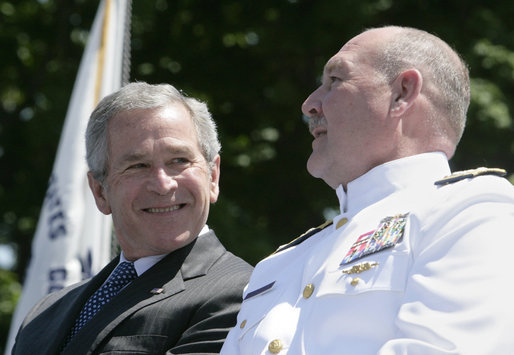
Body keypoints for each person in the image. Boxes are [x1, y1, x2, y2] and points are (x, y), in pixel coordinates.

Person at [221, 26, 514, 354]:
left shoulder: (474, 211)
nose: (309, 104)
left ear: (402, 93)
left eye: (335, 80)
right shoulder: (278, 265)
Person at [12, 82, 253, 354]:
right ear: (100, 191)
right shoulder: (43, 314)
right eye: (138, 165)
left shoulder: (245, 294)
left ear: (212, 176)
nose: (163, 185)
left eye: (179, 161)